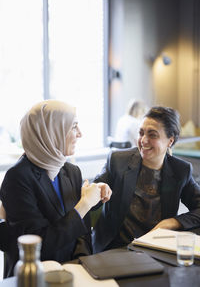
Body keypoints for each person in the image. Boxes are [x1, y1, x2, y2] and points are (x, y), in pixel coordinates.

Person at [0, 99, 112, 277]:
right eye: (73, 127)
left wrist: (80, 265)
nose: (80, 134)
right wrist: (84, 204)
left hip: (74, 271)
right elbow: (39, 246)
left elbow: (81, 233)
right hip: (35, 277)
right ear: (50, 132)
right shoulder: (17, 178)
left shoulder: (71, 171)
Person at [92, 106, 200, 253]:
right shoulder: (118, 161)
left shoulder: (181, 171)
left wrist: (171, 223)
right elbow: (91, 196)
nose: (143, 140)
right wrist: (97, 189)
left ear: (170, 140)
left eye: (152, 135)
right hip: (115, 248)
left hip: (155, 250)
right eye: (141, 133)